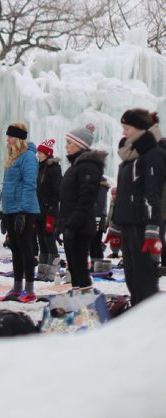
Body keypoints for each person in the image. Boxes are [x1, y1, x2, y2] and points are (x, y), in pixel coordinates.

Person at [107, 109, 165, 305]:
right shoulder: (129, 156)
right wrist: (115, 225)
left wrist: (152, 230)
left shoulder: (153, 155)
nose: (124, 133)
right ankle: (137, 312)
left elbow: (152, 195)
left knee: (145, 277)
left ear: (140, 129)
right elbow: (122, 194)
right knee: (132, 276)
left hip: (143, 226)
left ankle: (147, 318)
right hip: (128, 224)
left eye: (127, 128)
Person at [59, 123, 106, 293]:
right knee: (74, 268)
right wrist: (62, 224)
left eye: (69, 142)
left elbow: (86, 200)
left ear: (80, 144)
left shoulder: (88, 166)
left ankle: (86, 304)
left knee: (80, 267)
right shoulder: (76, 166)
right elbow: (67, 199)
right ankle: (78, 302)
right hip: (71, 224)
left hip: (80, 226)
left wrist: (72, 224)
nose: (66, 146)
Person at [0, 123, 39, 303]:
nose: (7, 139)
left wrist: (22, 211)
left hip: (24, 210)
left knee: (26, 249)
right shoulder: (12, 158)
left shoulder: (28, 157)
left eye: (10, 136)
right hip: (10, 209)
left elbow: (30, 184)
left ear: (18, 139)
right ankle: (17, 288)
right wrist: (5, 210)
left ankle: (29, 289)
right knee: (15, 249)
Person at [35, 138, 61, 282]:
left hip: (49, 211)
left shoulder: (54, 169)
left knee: (49, 240)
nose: (38, 155)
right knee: (41, 241)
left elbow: (56, 192)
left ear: (47, 154)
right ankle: (42, 271)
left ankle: (52, 272)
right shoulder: (40, 168)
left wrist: (52, 210)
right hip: (39, 211)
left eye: (40, 153)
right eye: (38, 153)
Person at [90, 175, 111, 269]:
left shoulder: (101, 187)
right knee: (92, 242)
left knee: (96, 242)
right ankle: (94, 263)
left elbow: (100, 205)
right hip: (94, 217)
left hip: (98, 218)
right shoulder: (95, 186)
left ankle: (98, 264)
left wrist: (96, 218)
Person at [106, 186, 120, 258]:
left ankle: (119, 253)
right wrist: (107, 223)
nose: (113, 196)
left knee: (119, 240)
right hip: (112, 224)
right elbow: (109, 214)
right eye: (112, 194)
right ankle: (115, 253)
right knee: (113, 240)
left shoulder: (120, 202)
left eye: (115, 194)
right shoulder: (112, 202)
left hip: (118, 225)